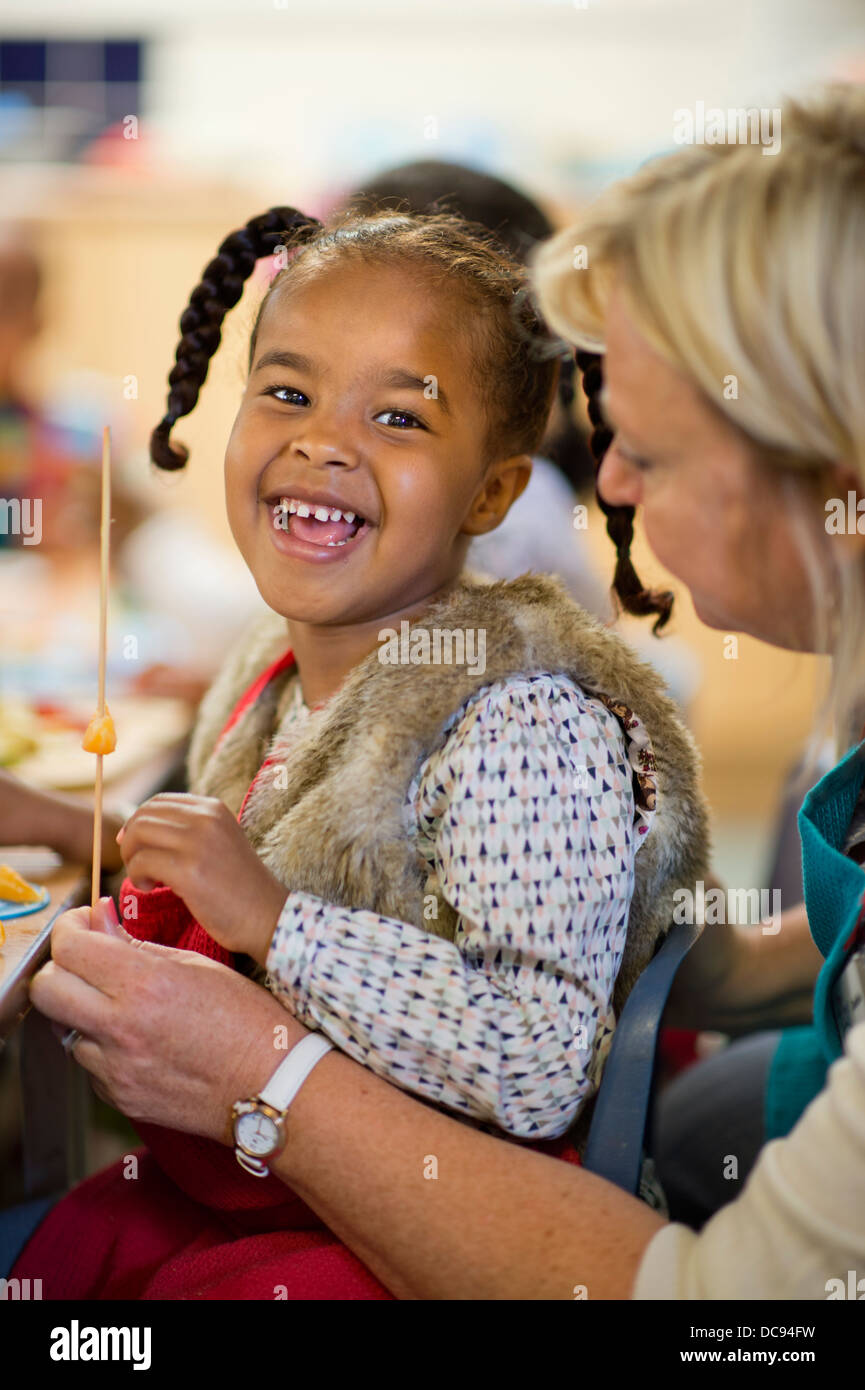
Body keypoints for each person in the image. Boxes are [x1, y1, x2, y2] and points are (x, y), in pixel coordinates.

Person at [10, 83, 863, 1301]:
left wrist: (277, 950)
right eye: (289, 393)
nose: (610, 478)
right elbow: (299, 868)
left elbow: (534, 1063)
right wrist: (89, 844)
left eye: (398, 415)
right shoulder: (273, 667)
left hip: (403, 1228)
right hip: (254, 1191)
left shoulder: (517, 719)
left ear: (491, 494)